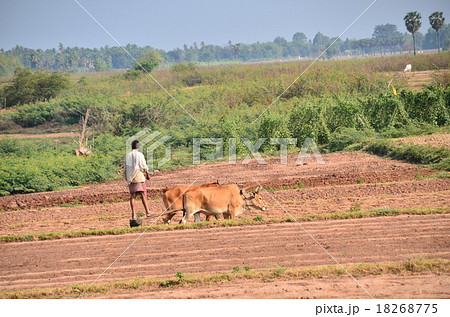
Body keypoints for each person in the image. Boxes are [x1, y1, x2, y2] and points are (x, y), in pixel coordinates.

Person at [125, 140, 151, 220]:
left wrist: (127, 177)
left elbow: (125, 168)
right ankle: (148, 212)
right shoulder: (140, 155)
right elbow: (144, 165)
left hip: (131, 178)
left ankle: (134, 215)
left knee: (133, 196)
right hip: (138, 176)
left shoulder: (128, 155)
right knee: (143, 194)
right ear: (138, 147)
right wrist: (147, 174)